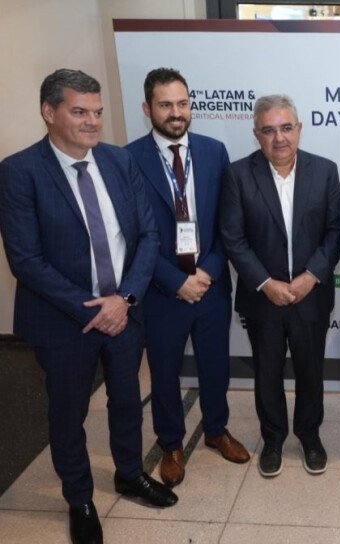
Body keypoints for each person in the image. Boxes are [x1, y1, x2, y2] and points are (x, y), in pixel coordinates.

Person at [0, 68, 177, 544]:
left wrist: (126, 299)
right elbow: (26, 261)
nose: (92, 122)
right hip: (64, 322)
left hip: (125, 312)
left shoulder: (119, 161)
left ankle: (129, 474)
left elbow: (148, 236)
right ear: (49, 112)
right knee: (68, 414)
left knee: (127, 401)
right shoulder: (19, 172)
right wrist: (95, 310)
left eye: (97, 112)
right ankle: (79, 499)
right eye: (80, 112)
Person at [126, 68, 249, 488]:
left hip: (211, 284)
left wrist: (208, 271)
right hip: (162, 290)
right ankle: (171, 443)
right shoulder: (128, 159)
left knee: (216, 364)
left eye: (182, 103)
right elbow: (131, 234)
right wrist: (175, 280)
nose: (175, 113)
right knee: (164, 371)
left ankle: (216, 429)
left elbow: (229, 223)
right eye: (165, 105)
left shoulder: (214, 152)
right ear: (147, 109)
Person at [220, 94, 340, 478]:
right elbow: (233, 238)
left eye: (286, 128)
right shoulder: (238, 175)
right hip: (263, 299)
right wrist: (264, 283)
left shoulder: (325, 171)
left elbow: (337, 231)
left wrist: (311, 276)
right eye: (269, 130)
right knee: (267, 373)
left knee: (311, 371)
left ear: (299, 129)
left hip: (311, 296)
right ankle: (272, 439)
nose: (279, 138)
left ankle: (309, 436)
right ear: (256, 134)